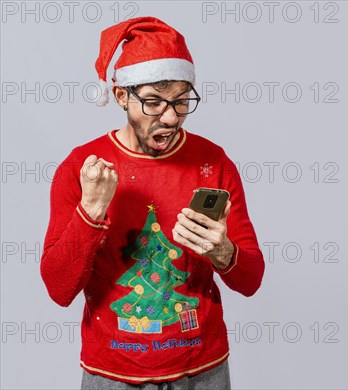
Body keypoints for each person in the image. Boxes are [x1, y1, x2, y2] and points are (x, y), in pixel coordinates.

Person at [40, 16, 265, 389]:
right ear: (121, 96)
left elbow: (251, 280)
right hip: (112, 373)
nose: (171, 117)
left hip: (203, 370)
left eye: (181, 101)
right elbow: (58, 289)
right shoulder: (82, 167)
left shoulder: (214, 163)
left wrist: (223, 252)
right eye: (154, 103)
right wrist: (91, 211)